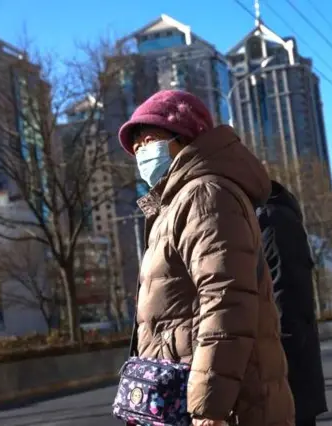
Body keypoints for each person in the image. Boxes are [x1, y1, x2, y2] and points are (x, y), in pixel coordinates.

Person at [118, 90, 294, 426]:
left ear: (183, 138)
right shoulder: (175, 203)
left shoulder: (204, 195)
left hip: (227, 407)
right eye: (136, 145)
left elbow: (226, 303)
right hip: (182, 397)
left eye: (149, 138)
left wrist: (208, 409)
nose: (141, 151)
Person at [257, 180, 328, 426]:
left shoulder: (271, 220)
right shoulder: (265, 217)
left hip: (284, 381)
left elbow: (286, 306)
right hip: (280, 379)